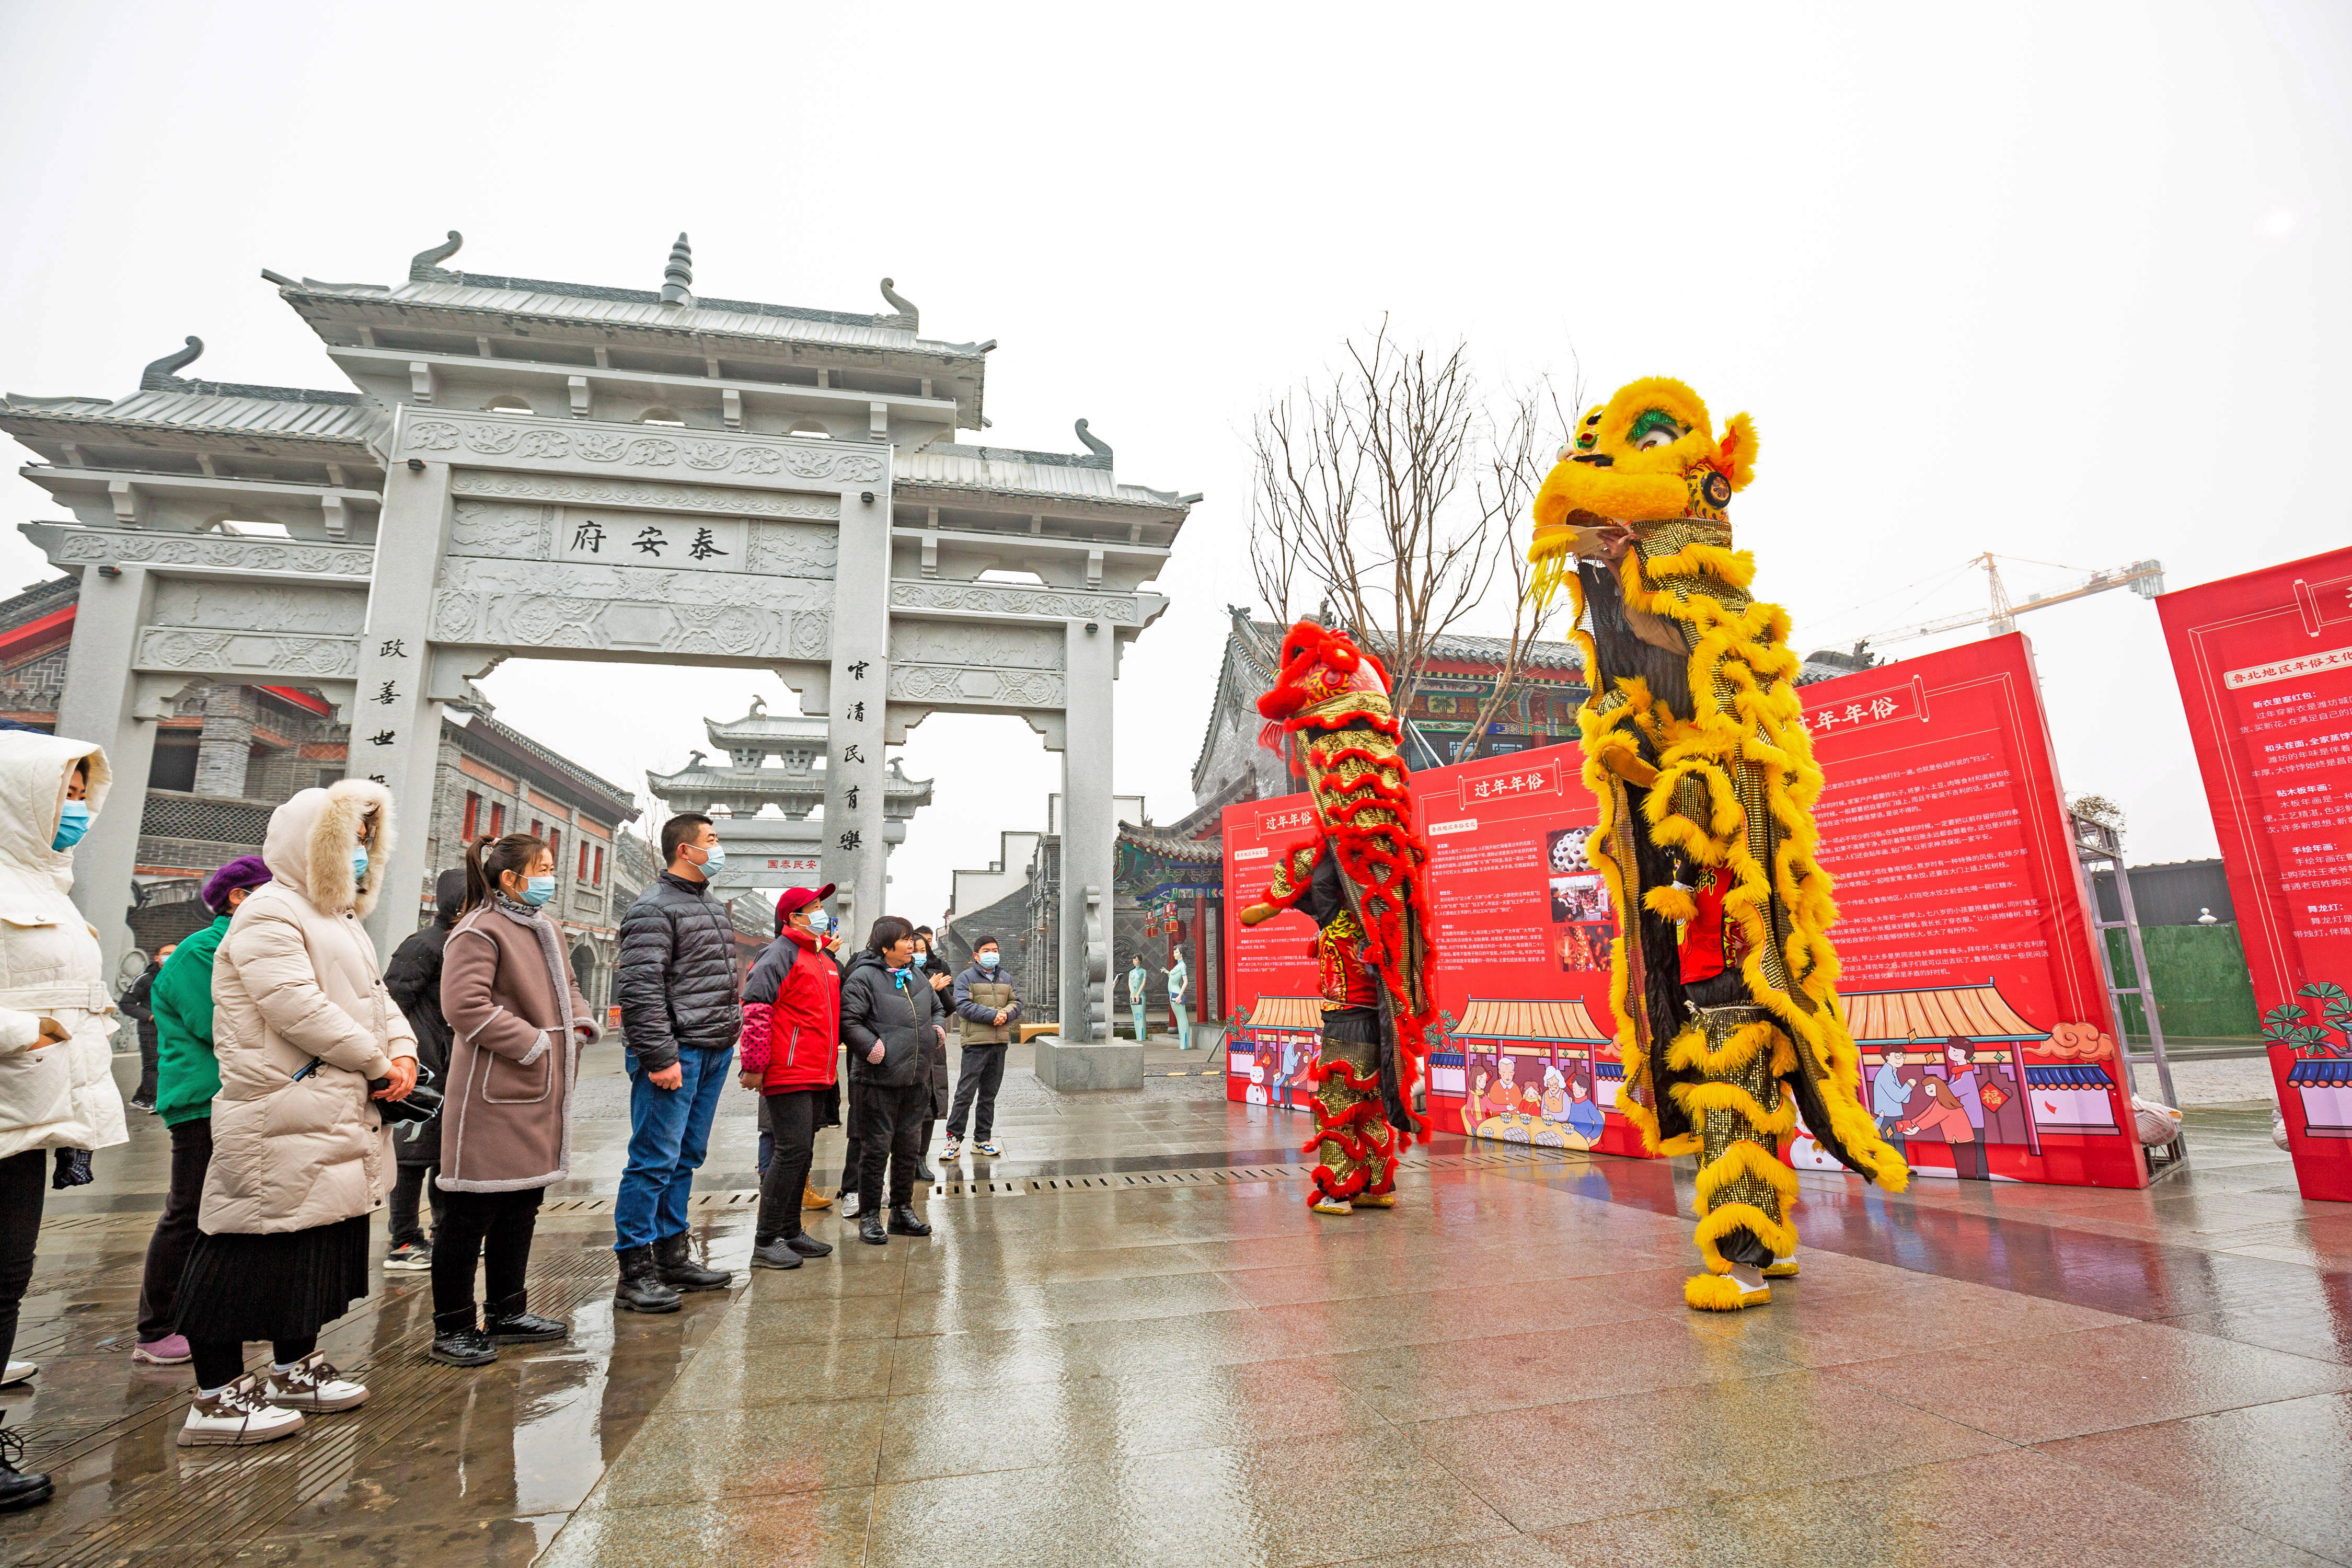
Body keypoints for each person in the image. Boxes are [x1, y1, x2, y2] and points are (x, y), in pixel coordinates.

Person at [174, 779, 416, 1447]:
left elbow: (377, 999)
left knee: (316, 1242)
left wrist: (402, 1052)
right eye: (350, 841)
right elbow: (295, 1006)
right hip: (281, 1111)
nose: (361, 854)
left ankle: (293, 1367)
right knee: (245, 1247)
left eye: (368, 841)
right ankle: (216, 1397)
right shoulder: (270, 914)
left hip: (333, 1110)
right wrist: (376, 1061)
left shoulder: (340, 921)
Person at [0, 735, 129, 1510]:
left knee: (7, 1281)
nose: (76, 806)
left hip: (31, 1115)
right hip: (13, 1084)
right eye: (65, 789)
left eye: (84, 790)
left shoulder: (51, 885)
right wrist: (22, 1033)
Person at [430, 833, 599, 1365]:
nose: (551, 875)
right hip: (492, 1093)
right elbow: (464, 1006)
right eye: (543, 867)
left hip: (536, 1090)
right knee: (467, 1213)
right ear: (510, 878)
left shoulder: (545, 926)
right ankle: (453, 1325)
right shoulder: (479, 929)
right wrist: (532, 1044)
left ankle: (507, 1308)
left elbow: (568, 984)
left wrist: (580, 1020)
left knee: (521, 1203)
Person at [132, 855, 272, 1368]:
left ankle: (219, 1313)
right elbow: (222, 1026)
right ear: (239, 897)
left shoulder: (251, 950)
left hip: (245, 1097)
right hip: (202, 1100)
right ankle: (157, 1329)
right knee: (189, 1212)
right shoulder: (203, 952)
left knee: (235, 1215)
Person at [611, 813, 738, 1312]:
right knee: (653, 1160)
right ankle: (635, 1269)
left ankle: (672, 1253)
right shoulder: (652, 909)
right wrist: (661, 1057)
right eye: (712, 840)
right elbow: (640, 990)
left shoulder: (708, 904)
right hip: (675, 1052)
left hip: (713, 1049)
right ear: (685, 851)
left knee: (686, 1157)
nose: (719, 847)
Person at [739, 884, 842, 1270]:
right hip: (789, 1069)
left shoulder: (822, 958)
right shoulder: (778, 954)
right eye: (814, 907)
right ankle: (765, 1241)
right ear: (793, 917)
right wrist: (754, 1064)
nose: (821, 913)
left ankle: (791, 1230)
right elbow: (757, 1007)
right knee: (790, 1151)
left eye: (821, 906)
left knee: (803, 1153)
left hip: (819, 1070)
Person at [381, 869, 464, 1273]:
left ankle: (441, 1234)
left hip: (454, 1069)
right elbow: (388, 1003)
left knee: (444, 1158)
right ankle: (404, 1240)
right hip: (424, 1069)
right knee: (412, 1158)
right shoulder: (423, 946)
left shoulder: (464, 944)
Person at [840, 917, 939, 1246]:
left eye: (912, 939)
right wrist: (873, 1049)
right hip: (877, 1081)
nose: (912, 945)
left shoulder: (917, 976)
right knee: (875, 1150)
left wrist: (936, 1031)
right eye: (905, 940)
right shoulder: (864, 978)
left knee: (908, 1149)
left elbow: (938, 1008)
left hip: (915, 1078)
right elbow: (849, 1020)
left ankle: (901, 1211)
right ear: (885, 947)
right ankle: (869, 1215)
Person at [944, 936, 1020, 1161]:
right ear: (976, 955)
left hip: (999, 1043)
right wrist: (993, 1015)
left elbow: (1017, 1002)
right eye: (987, 950)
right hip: (975, 1044)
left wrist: (1007, 1013)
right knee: (965, 1094)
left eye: (995, 950)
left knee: (989, 1095)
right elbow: (963, 1006)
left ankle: (982, 1140)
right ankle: (953, 1141)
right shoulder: (965, 978)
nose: (992, 954)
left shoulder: (1006, 977)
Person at [908, 928, 953, 1181]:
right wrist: (928, 988)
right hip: (910, 1048)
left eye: (923, 950)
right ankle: (908, 1158)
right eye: (915, 950)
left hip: (934, 1046)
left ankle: (922, 1158)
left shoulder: (936, 972)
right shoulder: (903, 975)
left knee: (931, 1104)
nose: (919, 955)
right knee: (913, 1107)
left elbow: (948, 1009)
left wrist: (937, 989)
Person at [119, 942, 172, 1113]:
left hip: (173, 1030)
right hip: (151, 1030)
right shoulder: (145, 979)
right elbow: (127, 1004)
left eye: (175, 953)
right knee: (154, 1065)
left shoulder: (181, 977)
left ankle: (142, 1097)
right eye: (167, 953)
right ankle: (151, 1100)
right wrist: (150, 1016)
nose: (171, 956)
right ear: (157, 958)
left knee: (168, 1065)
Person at [1166, 950, 1191, 1050]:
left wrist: (1180, 996)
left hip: (1176, 993)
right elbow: (1173, 978)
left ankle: (1184, 1044)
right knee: (1179, 1018)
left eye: (1176, 952)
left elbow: (1185, 982)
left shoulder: (1182, 966)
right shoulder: (1178, 965)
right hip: (1173, 993)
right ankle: (1182, 1043)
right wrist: (1168, 973)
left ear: (1181, 954)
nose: (1174, 954)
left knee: (1182, 1018)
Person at [1127, 955, 1149, 1041]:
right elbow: (1130, 984)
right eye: (1133, 960)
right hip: (1132, 996)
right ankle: (1138, 1036)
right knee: (1136, 1016)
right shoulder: (1131, 972)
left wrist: (1138, 994)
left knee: (1141, 1015)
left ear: (1140, 961)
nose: (1134, 962)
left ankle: (1142, 1036)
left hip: (1141, 996)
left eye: (1136, 960)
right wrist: (1133, 994)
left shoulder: (1144, 972)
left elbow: (1143, 984)